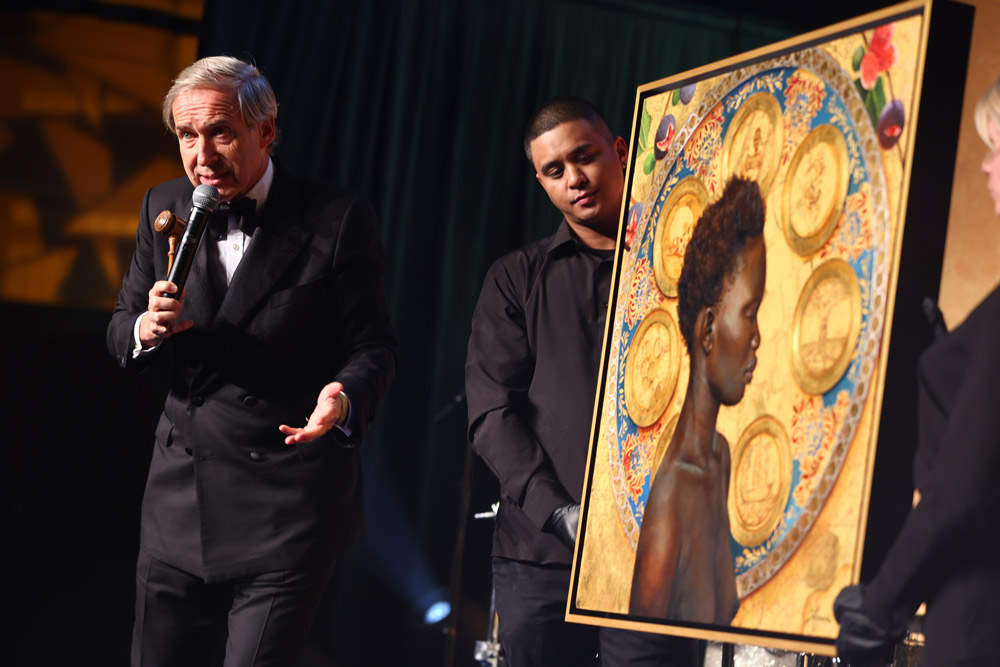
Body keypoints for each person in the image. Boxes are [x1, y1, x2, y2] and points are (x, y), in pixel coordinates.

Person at [106, 56, 396, 666]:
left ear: (266, 131)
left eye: (221, 132)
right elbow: (120, 323)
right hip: (178, 502)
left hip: (285, 507)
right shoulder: (162, 203)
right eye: (187, 135)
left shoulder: (335, 218)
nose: (202, 155)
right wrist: (144, 328)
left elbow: (371, 345)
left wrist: (341, 396)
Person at [465, 96, 697, 667]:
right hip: (540, 555)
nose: (574, 179)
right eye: (554, 170)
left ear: (620, 151)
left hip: (654, 557)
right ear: (541, 181)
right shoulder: (515, 279)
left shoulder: (684, 268)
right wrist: (559, 511)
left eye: (584, 157)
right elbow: (491, 412)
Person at [833, 76, 1000, 666]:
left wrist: (881, 604)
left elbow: (964, 490)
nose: (985, 168)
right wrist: (953, 359)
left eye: (997, 149)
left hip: (983, 616)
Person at [629, 177, 766, 624]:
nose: (757, 337)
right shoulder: (670, 500)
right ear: (708, 330)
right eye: (750, 314)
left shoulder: (718, 458)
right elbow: (640, 653)